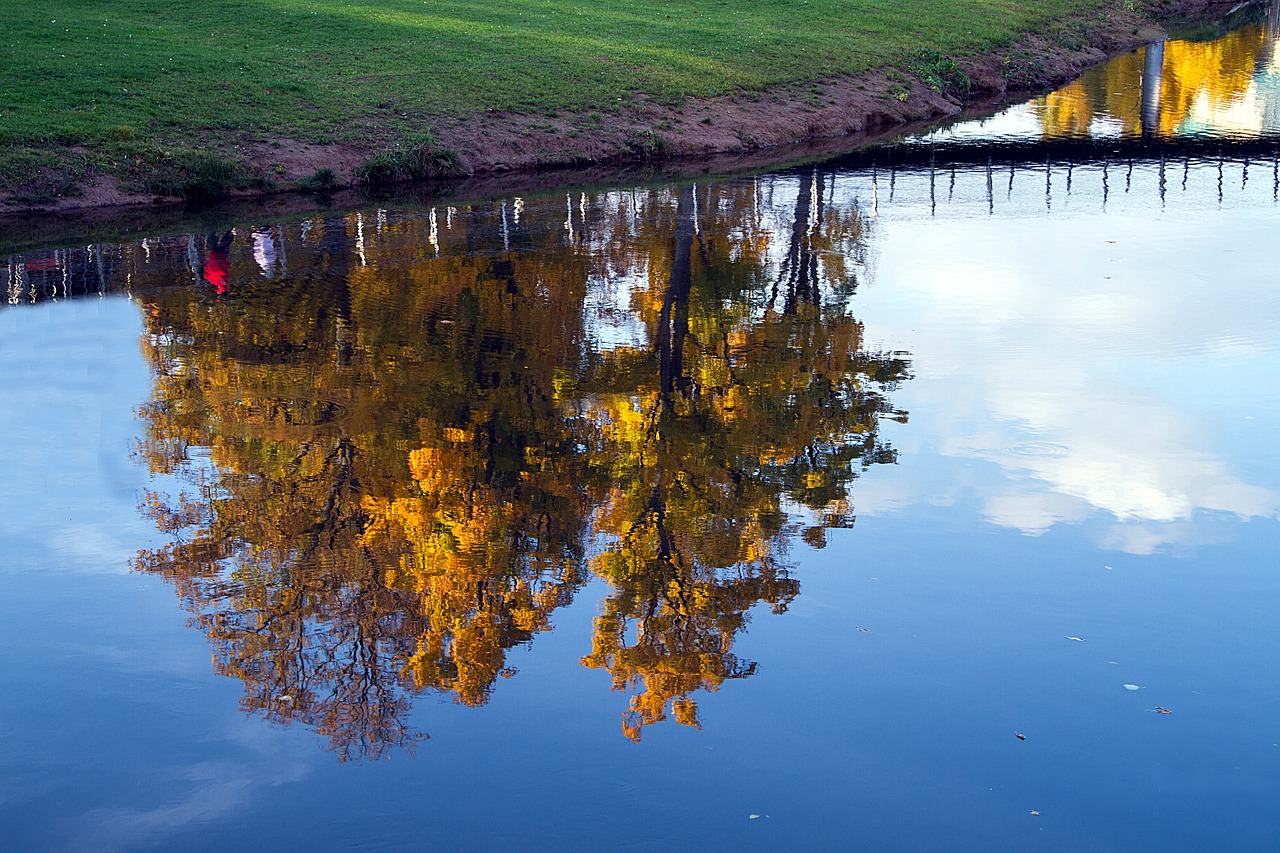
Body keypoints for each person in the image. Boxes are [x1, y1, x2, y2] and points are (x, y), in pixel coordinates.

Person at [204, 230, 234, 295]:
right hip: (212, 257)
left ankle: (230, 231)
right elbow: (206, 273)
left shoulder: (225, 279)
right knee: (214, 244)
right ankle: (213, 230)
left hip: (222, 257)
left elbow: (226, 267)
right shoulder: (213, 281)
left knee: (225, 244)